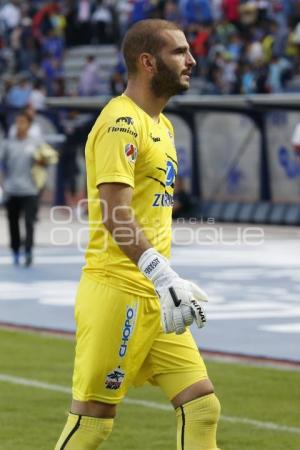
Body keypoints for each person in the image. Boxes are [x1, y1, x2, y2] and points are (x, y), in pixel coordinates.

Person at [55, 19, 221, 450]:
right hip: (118, 292)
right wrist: (165, 276)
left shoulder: (161, 125)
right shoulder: (120, 123)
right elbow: (115, 215)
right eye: (179, 52)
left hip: (155, 295)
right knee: (93, 424)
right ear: (148, 62)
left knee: (201, 407)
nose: (192, 59)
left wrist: (163, 282)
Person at [0, 110, 41, 266]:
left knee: (29, 223)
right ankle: (16, 250)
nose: (19, 125)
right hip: (12, 190)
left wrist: (42, 162)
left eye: (22, 122)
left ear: (28, 125)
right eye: (17, 122)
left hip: (30, 190)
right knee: (13, 223)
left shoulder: (35, 143)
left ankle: (29, 250)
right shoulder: (8, 143)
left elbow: (46, 160)